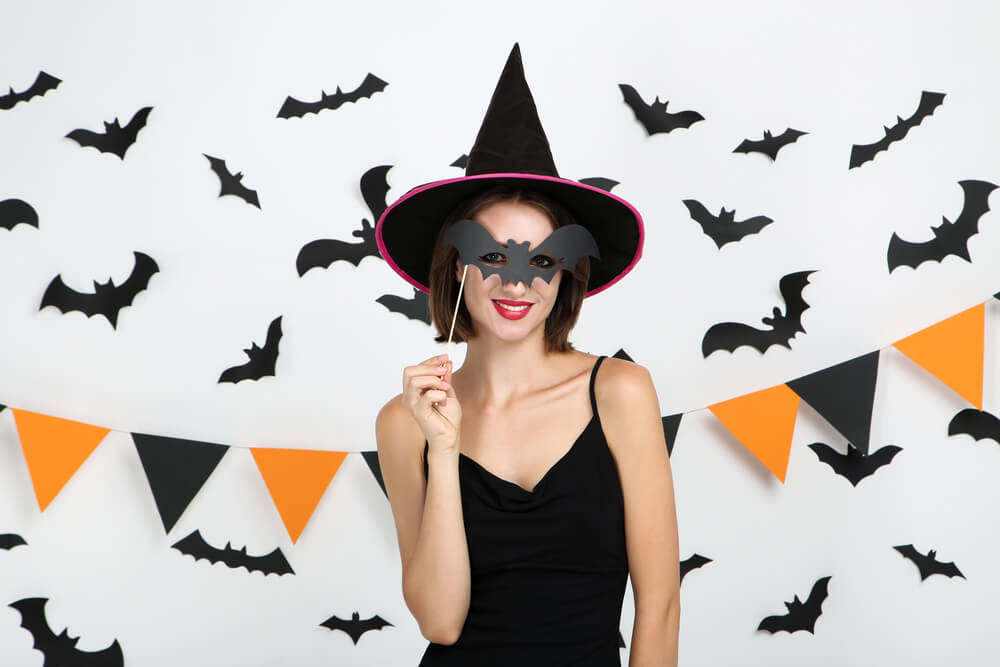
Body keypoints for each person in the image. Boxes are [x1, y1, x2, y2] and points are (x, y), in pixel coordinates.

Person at [374, 44, 679, 666]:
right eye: (492, 257)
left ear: (567, 274)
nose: (516, 283)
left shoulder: (619, 392)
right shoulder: (407, 420)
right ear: (456, 268)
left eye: (541, 261)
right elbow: (440, 621)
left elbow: (661, 605)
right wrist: (444, 446)